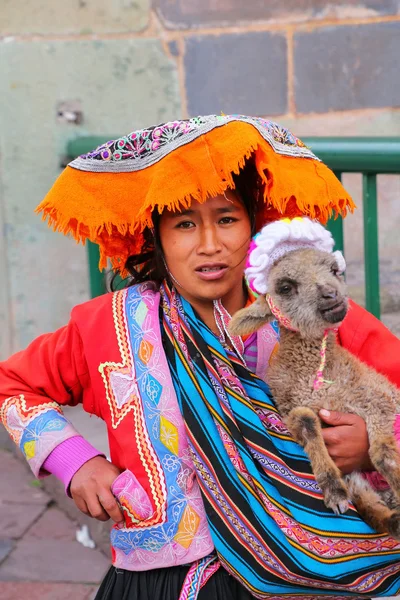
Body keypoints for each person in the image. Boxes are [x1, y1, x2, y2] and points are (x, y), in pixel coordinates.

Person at [1, 114, 400, 599]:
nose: (210, 244)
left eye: (227, 218)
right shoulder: (108, 326)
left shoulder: (318, 313)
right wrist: (74, 461)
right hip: (163, 577)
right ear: (157, 239)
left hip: (317, 571)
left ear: (254, 225)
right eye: (185, 224)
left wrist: (373, 441)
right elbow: (14, 385)